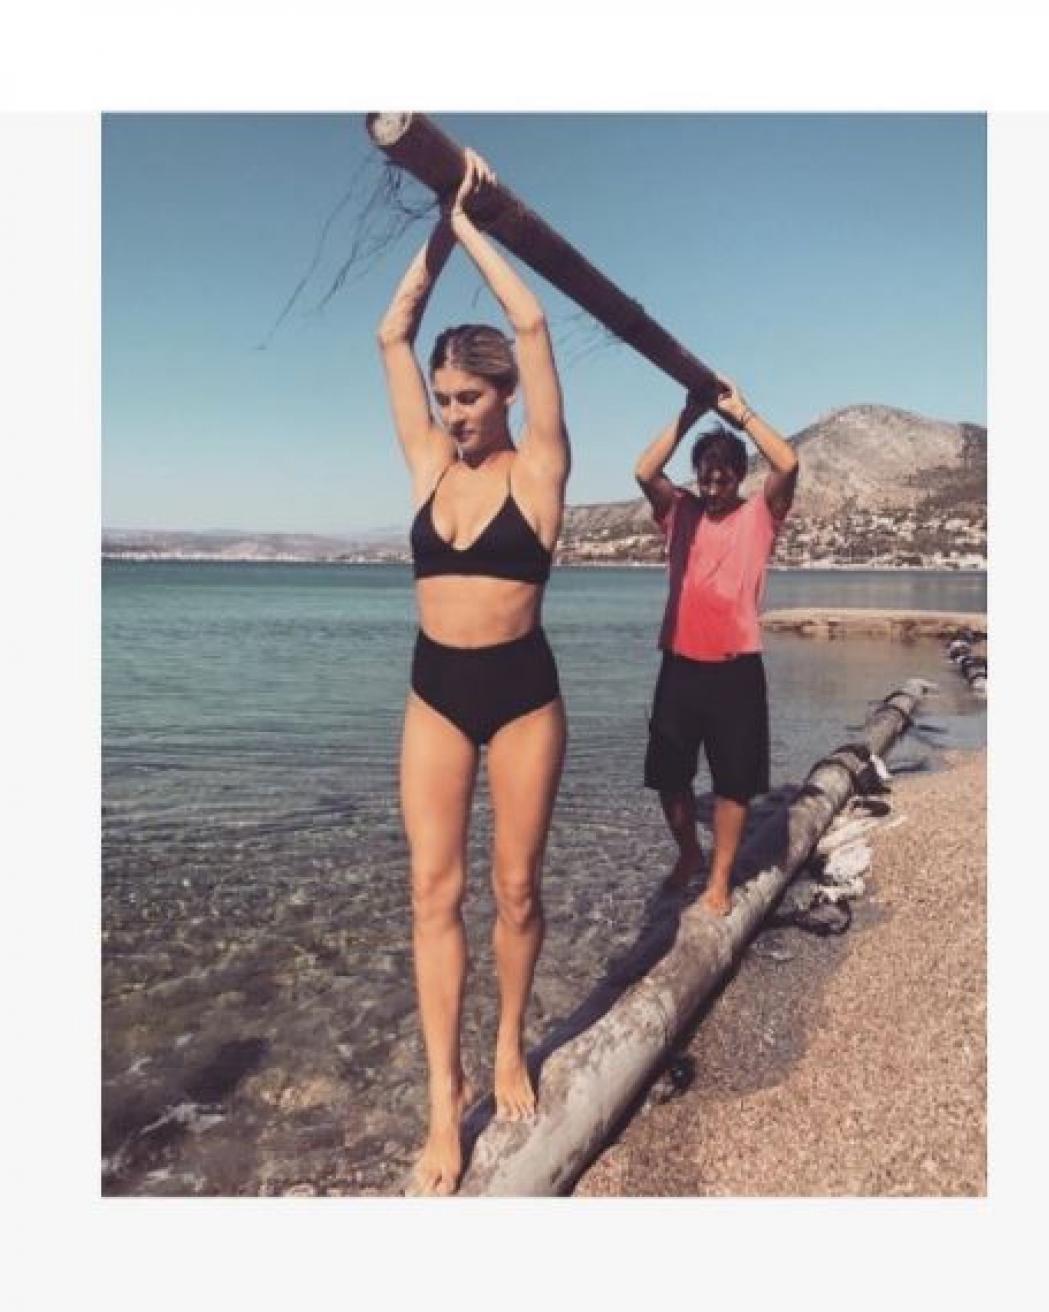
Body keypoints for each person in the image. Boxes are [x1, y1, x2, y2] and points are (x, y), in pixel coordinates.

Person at [376, 149, 569, 1195]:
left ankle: (508, 1047)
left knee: (517, 890)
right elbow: (390, 334)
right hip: (435, 693)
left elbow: (533, 327)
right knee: (431, 891)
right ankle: (441, 1099)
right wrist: (435, 234)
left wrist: (475, 223)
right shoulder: (425, 466)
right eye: (443, 399)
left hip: (523, 695)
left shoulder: (539, 471)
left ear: (503, 397)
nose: (451, 413)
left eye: (467, 398)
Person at [634, 378, 798, 916]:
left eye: (723, 474)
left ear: (738, 475)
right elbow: (644, 472)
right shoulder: (679, 512)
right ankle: (688, 853)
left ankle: (720, 878)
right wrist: (689, 415)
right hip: (680, 667)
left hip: (735, 671)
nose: (712, 483)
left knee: (733, 783)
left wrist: (740, 413)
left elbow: (788, 462)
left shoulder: (760, 515)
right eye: (705, 474)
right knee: (669, 777)